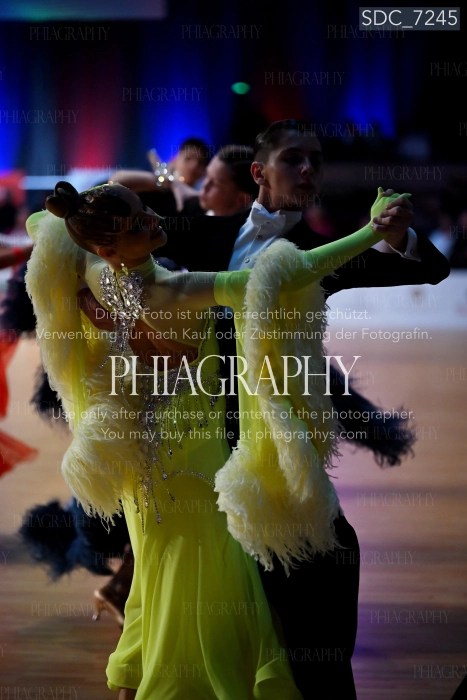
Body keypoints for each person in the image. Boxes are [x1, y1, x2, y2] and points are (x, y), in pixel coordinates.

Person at [25, 178, 402, 699]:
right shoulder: (179, 289)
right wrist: (370, 231)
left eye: (146, 210)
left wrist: (86, 224)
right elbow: (288, 275)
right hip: (197, 460)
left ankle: (155, 678)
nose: (153, 221)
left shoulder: (96, 274)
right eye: (137, 223)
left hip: (142, 465)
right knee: (215, 576)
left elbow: (42, 223)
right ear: (109, 248)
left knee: (158, 577)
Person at [158, 118, 451, 698]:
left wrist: (397, 236)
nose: (309, 169)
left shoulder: (324, 251)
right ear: (259, 172)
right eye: (294, 158)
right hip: (202, 436)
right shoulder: (208, 232)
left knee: (321, 575)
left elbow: (430, 268)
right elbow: (126, 249)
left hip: (279, 446)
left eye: (316, 159)